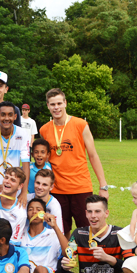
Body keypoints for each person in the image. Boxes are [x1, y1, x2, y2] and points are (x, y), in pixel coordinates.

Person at [40, 88, 109, 236]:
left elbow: (93, 155)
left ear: (65, 103)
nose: (56, 107)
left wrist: (103, 185)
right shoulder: (44, 130)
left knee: (87, 230)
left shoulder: (80, 124)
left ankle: (90, 258)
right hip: (57, 190)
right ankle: (64, 259)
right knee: (59, 230)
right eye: (52, 104)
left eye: (59, 103)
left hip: (80, 187)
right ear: (47, 106)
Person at [0, 101, 30, 205]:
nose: (6, 118)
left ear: (15, 116)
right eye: (3, 115)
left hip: (13, 186)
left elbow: (26, 165)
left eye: (10, 115)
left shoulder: (23, 134)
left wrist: (23, 192)